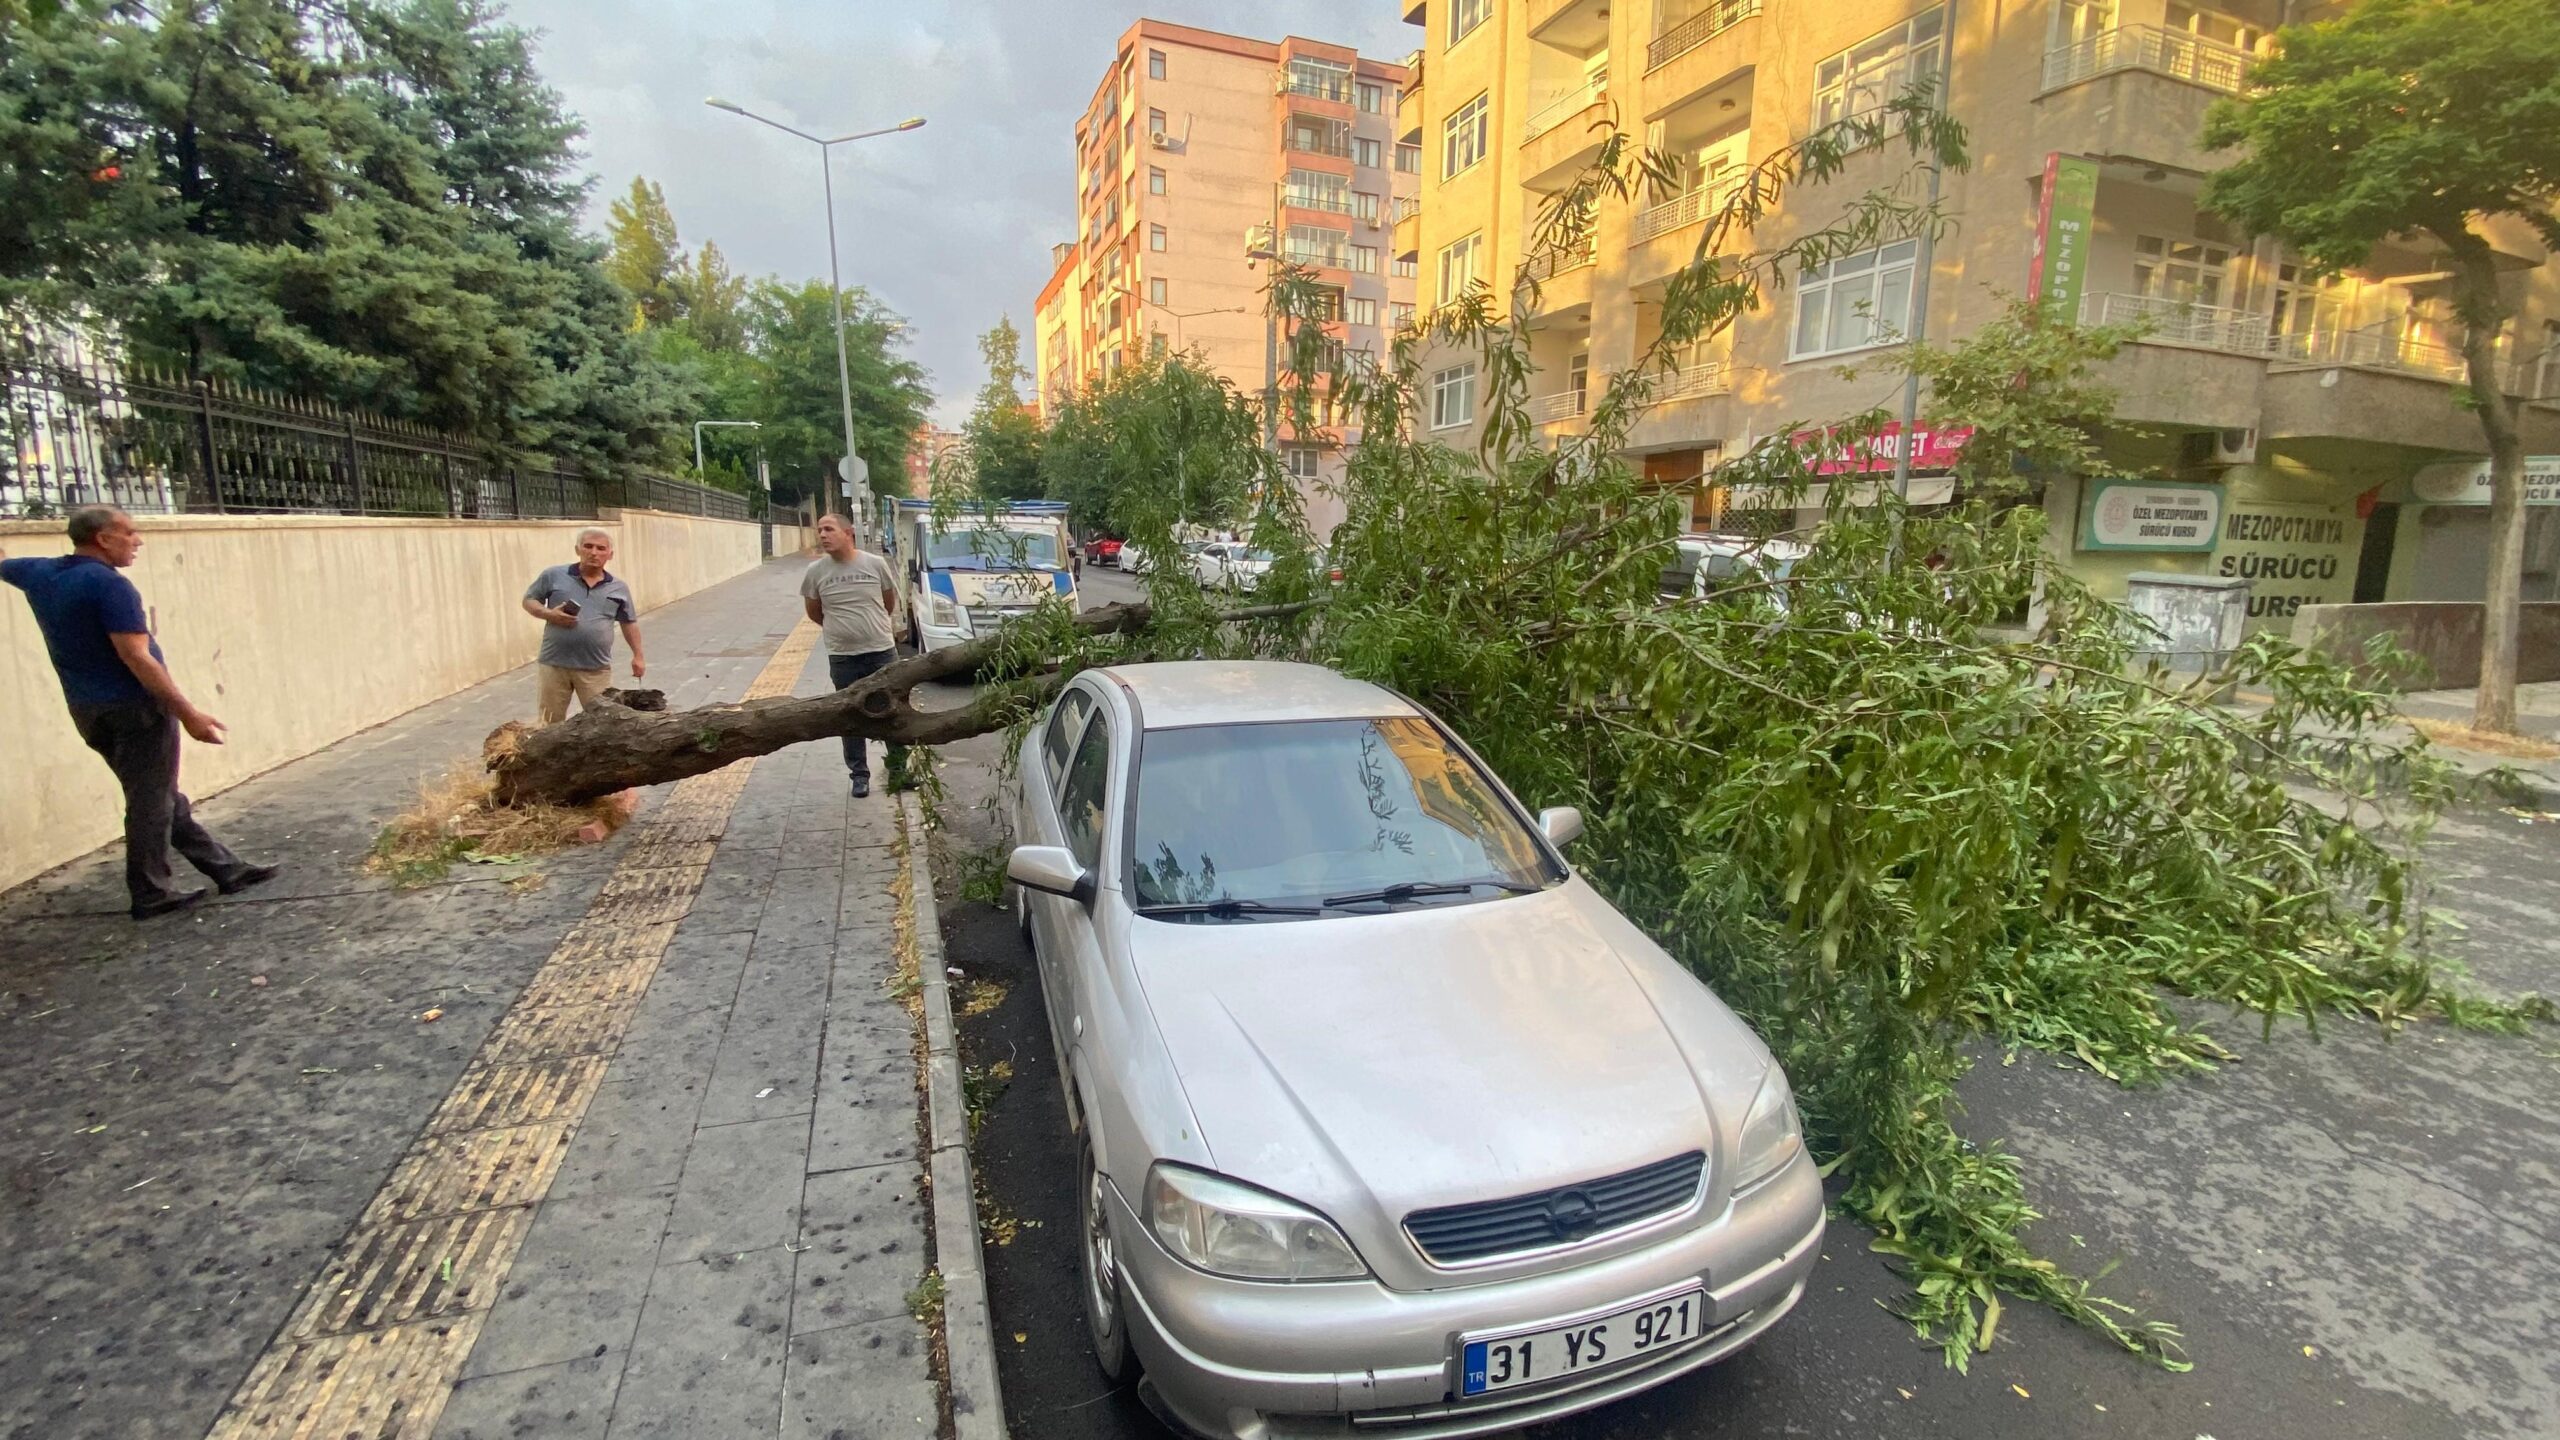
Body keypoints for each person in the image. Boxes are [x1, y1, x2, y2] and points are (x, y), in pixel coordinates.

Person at [1, 507, 276, 919]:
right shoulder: (111, 587)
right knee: (151, 801)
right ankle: (151, 892)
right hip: (136, 710)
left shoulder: (40, 573)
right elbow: (137, 657)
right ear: (102, 539)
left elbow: (5, 566)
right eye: (128, 532)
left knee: (159, 793)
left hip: (88, 711)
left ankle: (226, 869)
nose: (138, 540)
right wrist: (188, 713)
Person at [801, 513, 907, 797]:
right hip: (843, 656)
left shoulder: (874, 564)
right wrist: (841, 629)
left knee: (891, 710)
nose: (822, 535)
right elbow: (813, 611)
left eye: (829, 529)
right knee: (850, 717)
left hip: (881, 651)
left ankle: (899, 771)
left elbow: (887, 601)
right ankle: (859, 775)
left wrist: (869, 626)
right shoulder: (816, 571)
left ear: (848, 533)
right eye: (819, 530)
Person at [522, 528, 645, 724]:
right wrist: (549, 614)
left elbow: (628, 622)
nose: (594, 552)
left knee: (601, 722)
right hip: (555, 665)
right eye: (588, 546)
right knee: (549, 723)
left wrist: (638, 656)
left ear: (610, 554)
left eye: (601, 548)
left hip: (595, 668)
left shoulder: (618, 588)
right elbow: (529, 600)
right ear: (577, 549)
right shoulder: (553, 575)